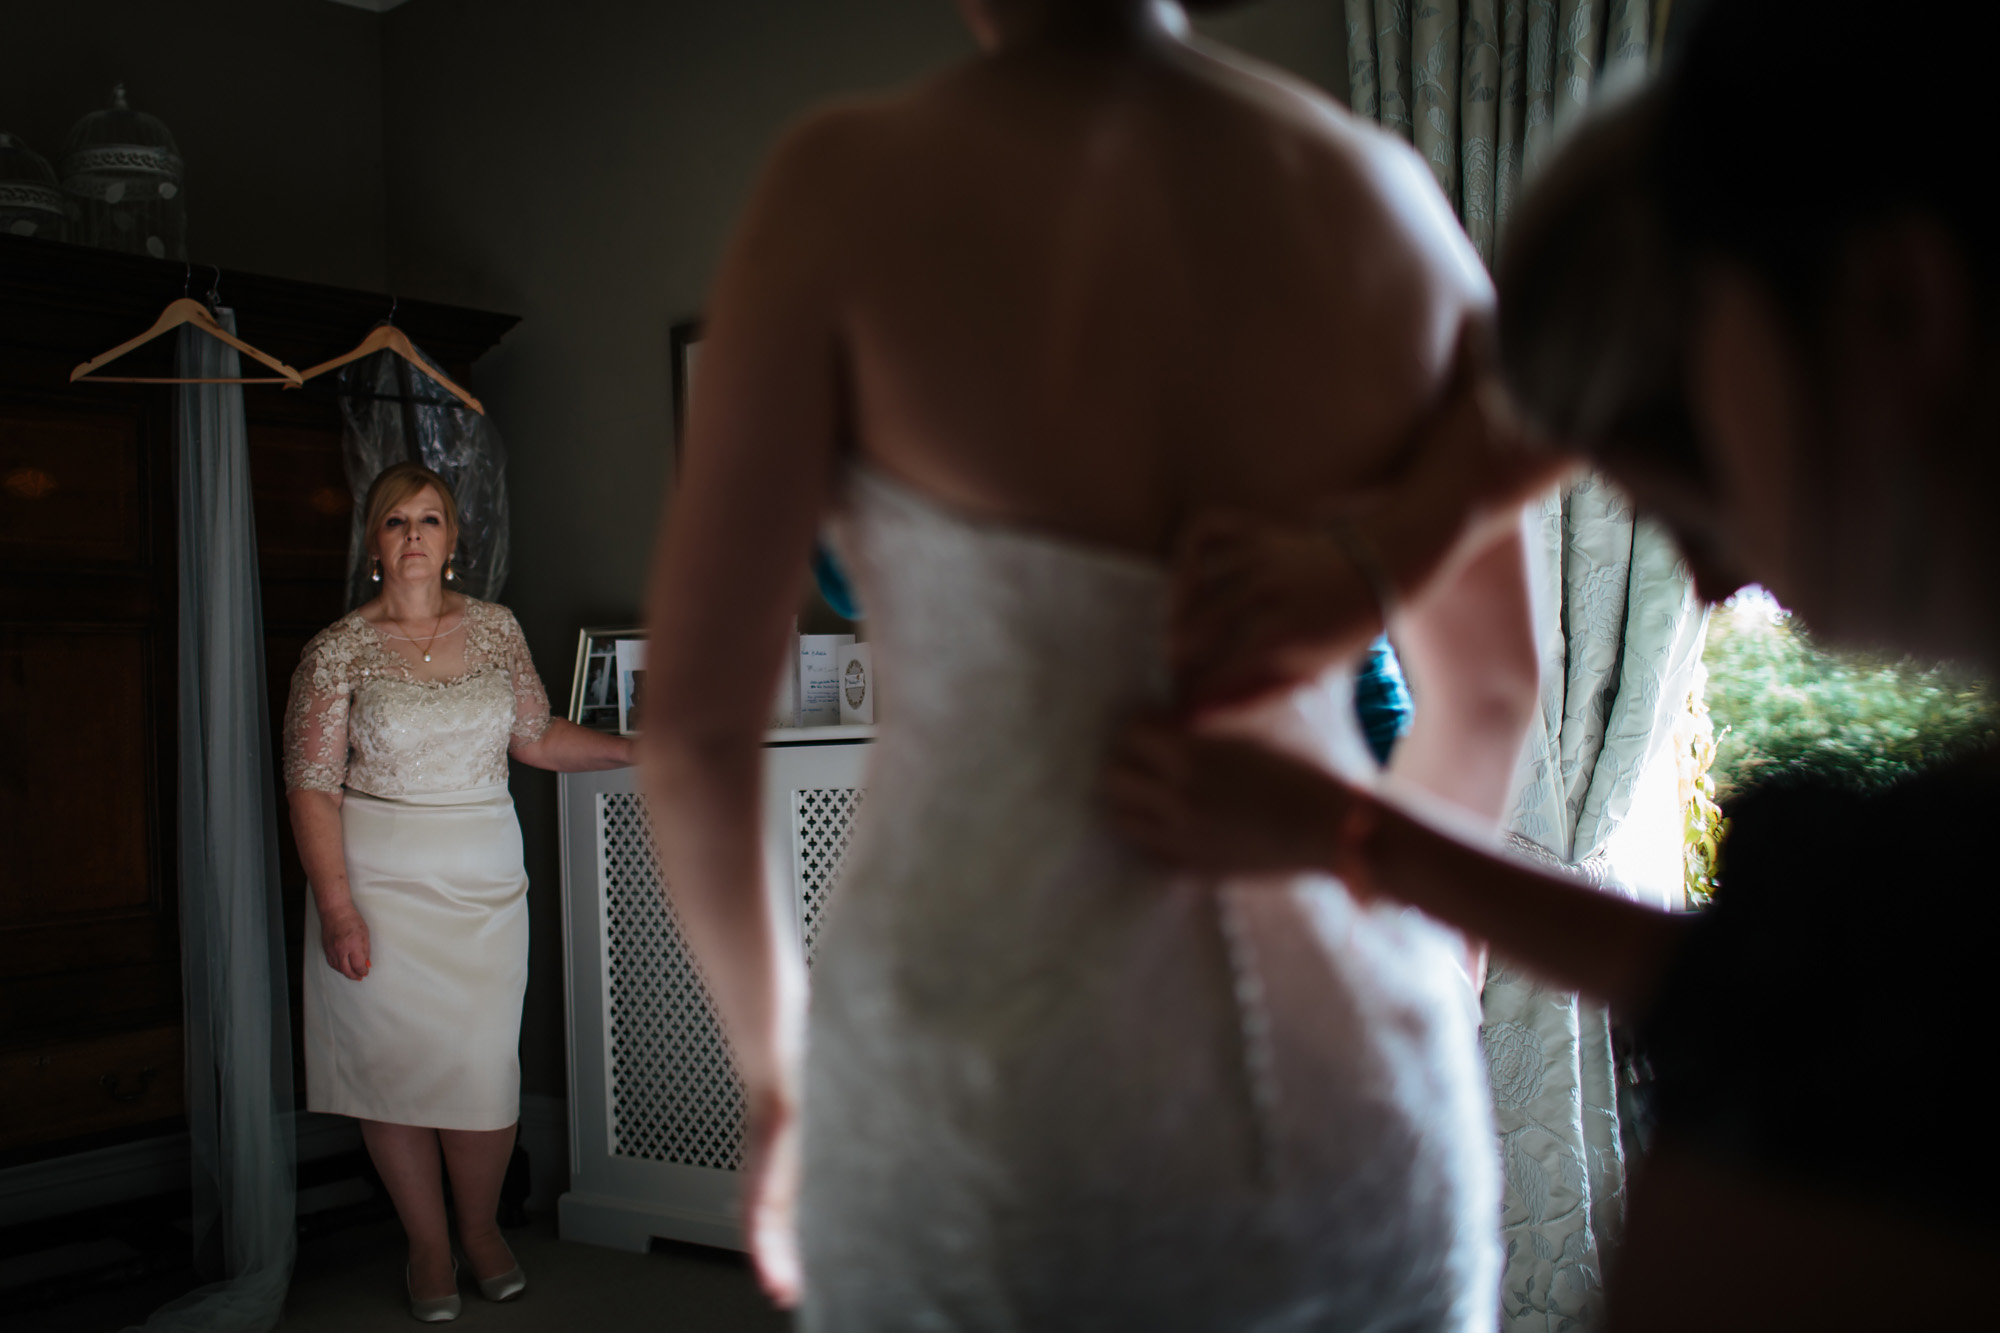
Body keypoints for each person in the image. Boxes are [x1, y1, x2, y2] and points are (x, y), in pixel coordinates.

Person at [640, 0, 1561, 1326]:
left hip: (984, 1103)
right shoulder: (1388, 204)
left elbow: (691, 742)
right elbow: (1488, 693)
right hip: (1354, 1088)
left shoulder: (844, 186)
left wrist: (780, 1069)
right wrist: (1412, 952)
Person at [1104, 2, 1999, 1328]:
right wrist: (1383, 572)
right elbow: (1775, 987)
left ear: (1898, 301)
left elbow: (1817, 997)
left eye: (1699, 491)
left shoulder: (1896, 904)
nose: (1711, 578)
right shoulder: (1885, 936)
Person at [284, 462, 631, 1322]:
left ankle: (480, 1228)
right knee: (391, 1071)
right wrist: (336, 907)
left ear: (453, 541)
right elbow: (311, 784)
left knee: (482, 1070)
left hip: (481, 883)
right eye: (396, 521)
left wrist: (640, 750)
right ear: (374, 542)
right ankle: (428, 1243)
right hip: (376, 883)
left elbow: (536, 737)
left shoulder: (498, 629)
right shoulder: (336, 650)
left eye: (429, 520)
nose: (413, 536)